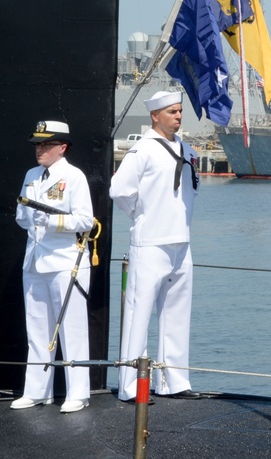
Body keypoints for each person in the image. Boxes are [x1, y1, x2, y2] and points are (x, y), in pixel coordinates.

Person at [110, 91, 201, 402]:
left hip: (181, 241)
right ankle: (131, 385)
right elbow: (120, 190)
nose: (178, 116)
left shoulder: (186, 149)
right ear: (155, 115)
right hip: (150, 243)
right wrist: (142, 214)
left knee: (177, 313)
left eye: (179, 111)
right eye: (172, 112)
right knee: (139, 314)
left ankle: (174, 381)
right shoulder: (143, 150)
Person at [13, 120, 94, 414]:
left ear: (62, 147)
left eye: (46, 145)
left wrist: (54, 221)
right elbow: (21, 216)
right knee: (37, 329)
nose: (39, 150)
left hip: (64, 261)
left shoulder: (74, 177)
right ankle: (37, 391)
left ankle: (78, 393)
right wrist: (30, 217)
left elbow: (85, 220)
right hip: (35, 259)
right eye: (37, 144)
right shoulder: (32, 175)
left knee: (71, 330)